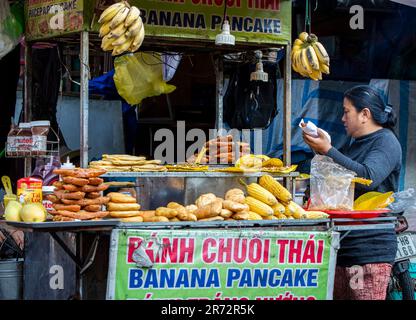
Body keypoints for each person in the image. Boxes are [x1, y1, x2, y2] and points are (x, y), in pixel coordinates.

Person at [303, 85, 402, 300]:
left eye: (347, 111)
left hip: (369, 249)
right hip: (345, 244)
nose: (342, 118)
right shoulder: (354, 145)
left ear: (364, 114)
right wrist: (321, 153)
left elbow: (367, 178)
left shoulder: (386, 141)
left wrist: (329, 150)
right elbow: (340, 178)